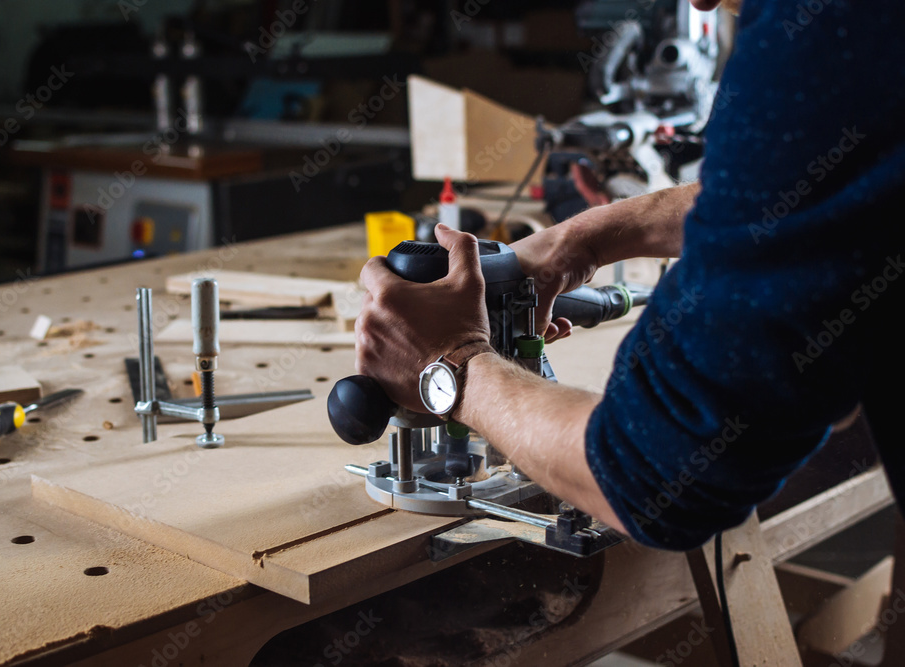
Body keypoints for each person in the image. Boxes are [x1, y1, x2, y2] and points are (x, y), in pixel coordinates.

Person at [353, 0, 905, 550]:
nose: (699, 4)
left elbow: (659, 473)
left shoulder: (829, 27)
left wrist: (451, 367)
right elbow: (803, 196)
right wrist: (587, 236)